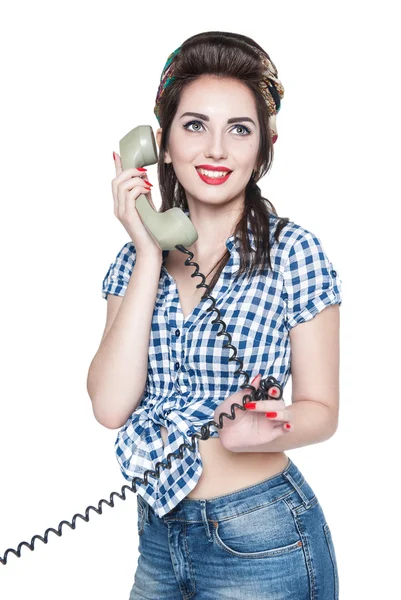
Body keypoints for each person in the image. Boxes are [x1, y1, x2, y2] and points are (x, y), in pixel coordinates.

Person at [87, 31, 342, 600]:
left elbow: (323, 411)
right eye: (196, 125)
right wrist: (150, 252)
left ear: (264, 147)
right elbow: (110, 406)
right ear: (162, 145)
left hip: (264, 537)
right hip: (158, 535)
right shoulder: (133, 261)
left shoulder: (295, 253)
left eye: (240, 129)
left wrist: (266, 428)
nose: (217, 150)